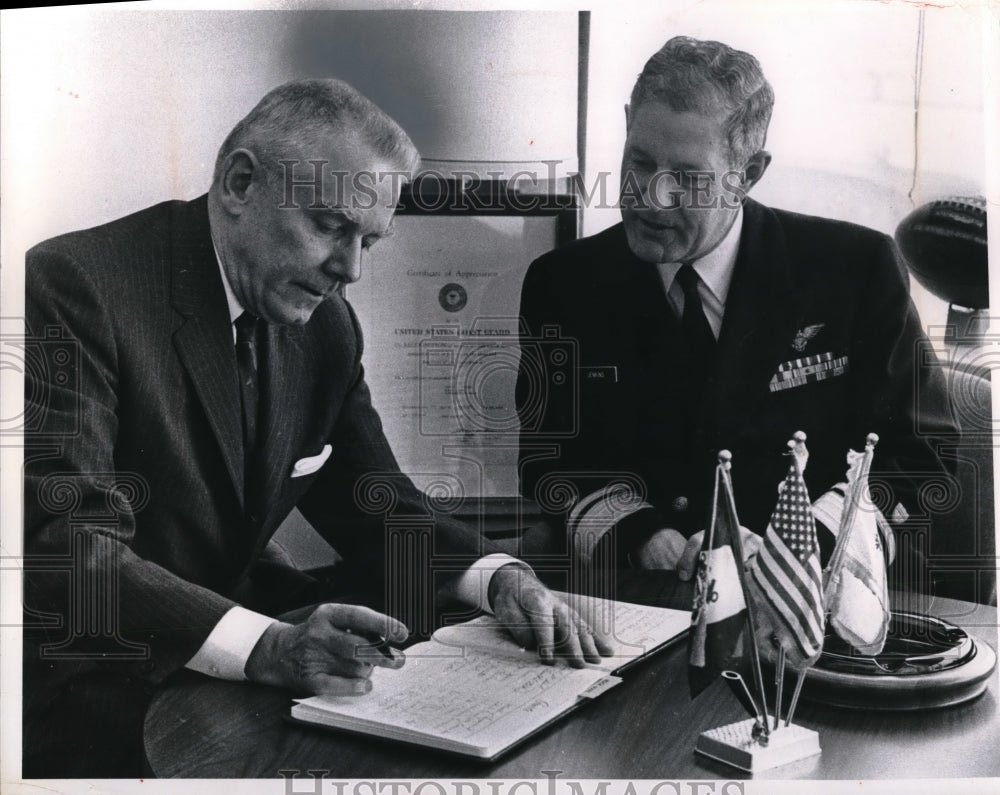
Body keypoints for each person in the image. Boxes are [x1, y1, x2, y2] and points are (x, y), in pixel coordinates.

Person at [22, 79, 611, 778]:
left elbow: (379, 501)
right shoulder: (74, 285)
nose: (351, 269)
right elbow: (69, 549)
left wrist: (501, 579)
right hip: (85, 687)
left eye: (370, 241)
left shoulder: (326, 326)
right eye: (331, 226)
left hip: (232, 672)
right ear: (240, 182)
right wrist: (268, 645)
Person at [516, 37, 956, 584]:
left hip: (816, 594)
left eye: (688, 178)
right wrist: (644, 538)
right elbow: (553, 466)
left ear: (748, 174)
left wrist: (799, 547)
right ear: (627, 127)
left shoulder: (855, 270)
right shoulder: (564, 285)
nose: (653, 197)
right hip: (641, 598)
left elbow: (917, 462)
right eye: (640, 161)